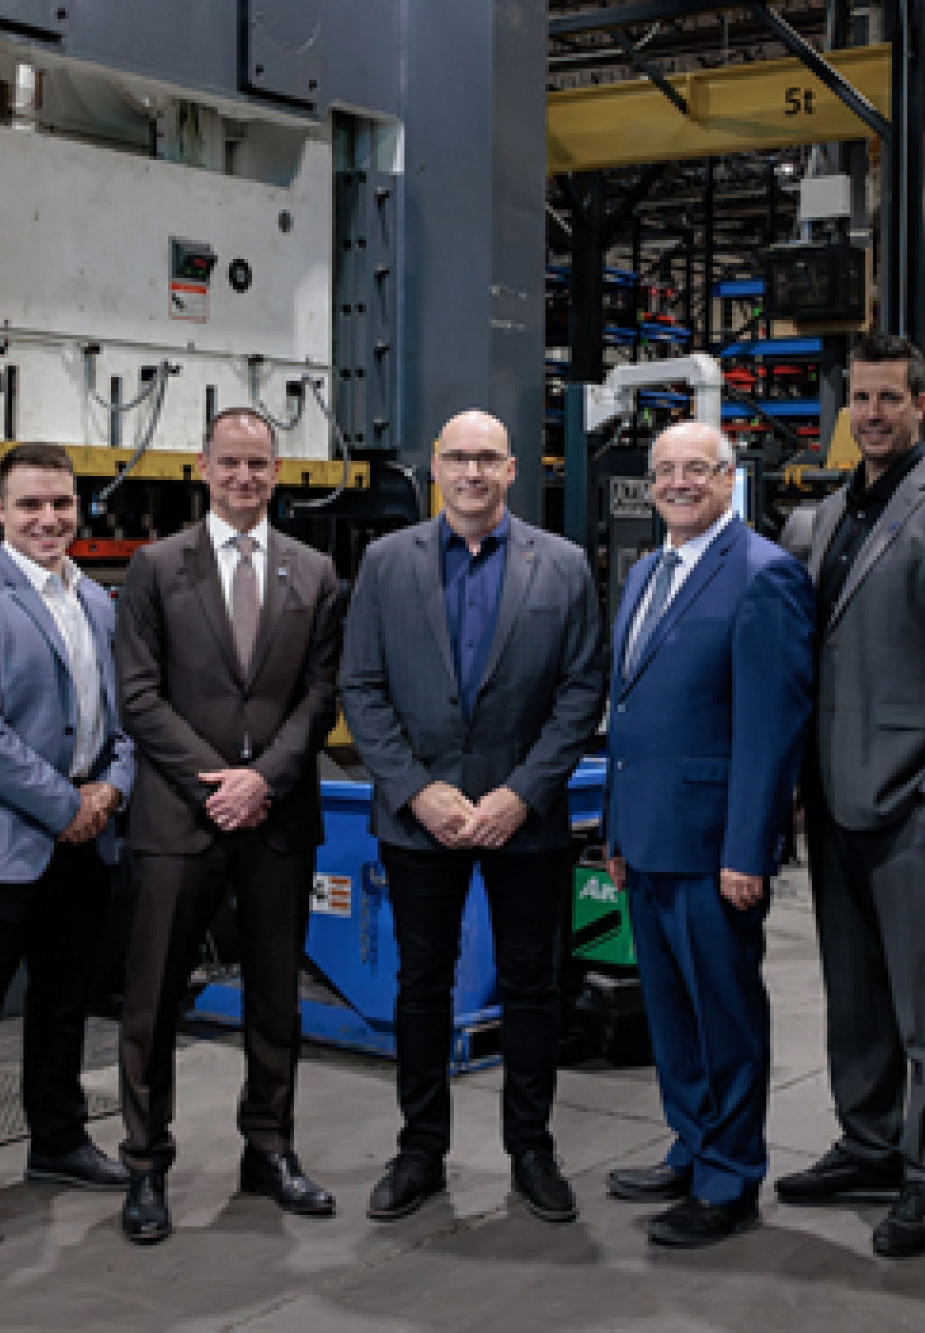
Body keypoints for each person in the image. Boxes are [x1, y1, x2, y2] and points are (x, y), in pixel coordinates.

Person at [341, 409, 604, 1224]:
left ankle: (531, 1148)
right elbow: (363, 687)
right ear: (436, 465)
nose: (473, 471)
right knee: (422, 985)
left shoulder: (561, 565)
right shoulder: (386, 564)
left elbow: (581, 689)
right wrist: (417, 789)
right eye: (458, 456)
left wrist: (520, 794)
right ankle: (421, 1148)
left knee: (532, 986)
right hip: (422, 818)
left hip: (524, 818)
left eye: (489, 457)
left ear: (514, 469)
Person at [114, 407, 340, 1244]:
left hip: (277, 820)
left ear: (277, 472)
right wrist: (217, 782)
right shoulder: (154, 567)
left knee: (277, 997)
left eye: (259, 463)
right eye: (230, 462)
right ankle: (145, 1165)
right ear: (201, 467)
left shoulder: (315, 573)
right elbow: (137, 695)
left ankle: (269, 1149)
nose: (245, 476)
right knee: (153, 1001)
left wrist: (263, 780)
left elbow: (322, 696)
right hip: (181, 818)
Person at [604, 421, 814, 1248]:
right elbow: (629, 714)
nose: (679, 483)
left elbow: (771, 728)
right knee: (672, 1013)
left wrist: (745, 848)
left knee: (724, 1017)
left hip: (711, 846)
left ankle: (729, 1178)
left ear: (732, 479)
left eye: (698, 469)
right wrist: (617, 830)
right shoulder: (646, 571)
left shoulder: (764, 575)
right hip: (648, 836)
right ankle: (693, 1145)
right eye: (665, 470)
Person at [775, 334, 925, 1258]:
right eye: (862, 398)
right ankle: (870, 1142)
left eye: (892, 397)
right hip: (833, 796)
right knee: (854, 995)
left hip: (911, 808)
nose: (875, 413)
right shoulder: (828, 515)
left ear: (922, 405)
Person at [0, 443, 134, 1248]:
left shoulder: (99, 603)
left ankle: (59, 1140)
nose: (48, 519)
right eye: (30, 505)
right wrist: (65, 802)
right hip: (0, 846)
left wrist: (110, 790)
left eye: (61, 503)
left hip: (83, 841)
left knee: (66, 1004)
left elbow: (128, 721)